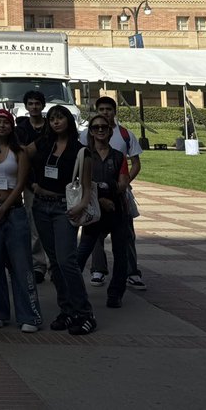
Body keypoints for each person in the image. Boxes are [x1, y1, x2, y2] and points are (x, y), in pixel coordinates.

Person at [27, 104, 93, 332]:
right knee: (54, 262)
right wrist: (31, 183)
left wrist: (81, 206)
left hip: (64, 208)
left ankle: (84, 312)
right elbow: (20, 155)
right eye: (52, 119)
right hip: (41, 206)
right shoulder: (44, 144)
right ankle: (67, 310)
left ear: (69, 121)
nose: (56, 122)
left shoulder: (80, 149)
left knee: (67, 261)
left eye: (60, 118)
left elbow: (86, 186)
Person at [0, 108, 42, 333]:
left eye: (5, 122)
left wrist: (4, 207)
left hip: (13, 211)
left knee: (21, 264)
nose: (1, 125)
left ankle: (29, 315)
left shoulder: (19, 151)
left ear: (11, 126)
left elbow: (21, 182)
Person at [82, 96, 145, 291]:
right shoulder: (86, 135)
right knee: (95, 234)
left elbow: (135, 164)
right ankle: (98, 269)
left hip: (119, 192)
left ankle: (131, 271)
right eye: (101, 109)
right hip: (94, 193)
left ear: (114, 111)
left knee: (126, 234)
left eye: (108, 109)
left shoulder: (125, 134)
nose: (105, 113)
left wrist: (123, 185)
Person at [75, 111, 130, 322]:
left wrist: (102, 188)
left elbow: (123, 182)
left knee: (120, 253)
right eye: (96, 127)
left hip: (116, 210)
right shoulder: (85, 155)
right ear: (90, 131)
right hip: (93, 210)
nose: (100, 130)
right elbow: (80, 184)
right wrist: (100, 197)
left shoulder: (118, 156)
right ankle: (74, 289)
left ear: (110, 131)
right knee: (82, 252)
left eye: (104, 127)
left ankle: (115, 293)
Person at [14, 90, 50, 284]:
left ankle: (55, 264)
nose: (34, 106)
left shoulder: (51, 126)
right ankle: (38, 265)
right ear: (26, 106)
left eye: (37, 103)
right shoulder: (21, 129)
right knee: (33, 223)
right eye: (31, 103)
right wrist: (29, 182)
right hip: (29, 182)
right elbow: (22, 156)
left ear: (43, 106)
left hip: (52, 182)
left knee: (53, 222)